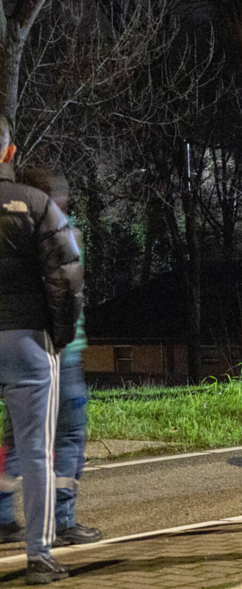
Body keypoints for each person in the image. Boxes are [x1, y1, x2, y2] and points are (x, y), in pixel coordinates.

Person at [0, 115, 84, 584]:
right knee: (36, 450)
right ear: (10, 153)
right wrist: (60, 334)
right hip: (28, 340)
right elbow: (66, 277)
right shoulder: (36, 204)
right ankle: (39, 555)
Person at [0, 168, 102, 550]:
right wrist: (60, 340)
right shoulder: (54, 223)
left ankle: (2, 514)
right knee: (64, 438)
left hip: (14, 342)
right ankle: (58, 524)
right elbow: (67, 284)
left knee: (14, 438)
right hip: (52, 349)